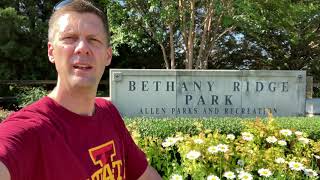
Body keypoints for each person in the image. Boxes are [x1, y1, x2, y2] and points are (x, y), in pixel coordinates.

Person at [0, 0, 162, 179]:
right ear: (51, 52)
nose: (83, 48)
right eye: (70, 38)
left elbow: (146, 176)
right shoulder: (30, 130)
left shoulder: (109, 114)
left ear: (107, 56)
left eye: (93, 40)